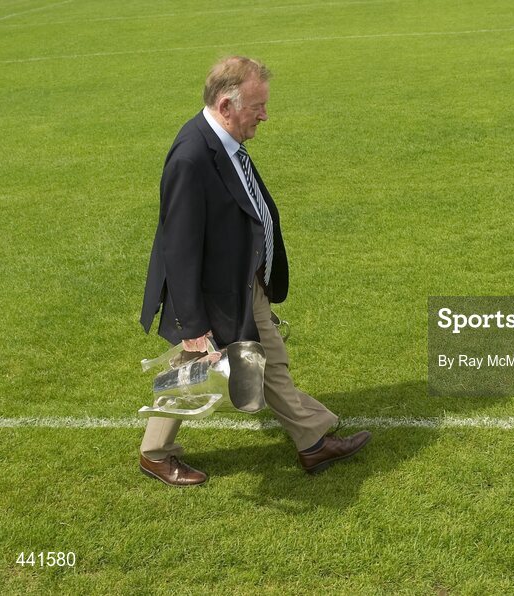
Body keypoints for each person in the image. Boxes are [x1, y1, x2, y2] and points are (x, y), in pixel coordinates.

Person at [138, 56, 370, 486]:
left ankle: (313, 443)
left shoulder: (225, 142)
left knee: (271, 364)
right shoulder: (191, 156)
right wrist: (192, 323)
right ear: (226, 106)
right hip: (214, 293)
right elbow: (180, 247)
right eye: (256, 106)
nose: (264, 115)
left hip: (245, 281)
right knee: (192, 374)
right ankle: (154, 454)